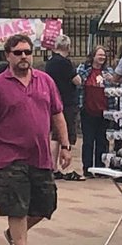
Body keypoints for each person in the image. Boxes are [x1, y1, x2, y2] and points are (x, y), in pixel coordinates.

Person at [0, 33, 71, 245]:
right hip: (10, 156)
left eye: (27, 52)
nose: (23, 57)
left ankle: (14, 235)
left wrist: (66, 146)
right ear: (8, 55)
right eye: (18, 53)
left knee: (45, 205)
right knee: (16, 206)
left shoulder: (45, 81)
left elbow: (57, 114)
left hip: (40, 156)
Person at [42, 34, 80, 180]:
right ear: (68, 47)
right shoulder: (65, 63)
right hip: (66, 102)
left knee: (55, 136)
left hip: (52, 101)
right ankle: (66, 168)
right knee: (66, 135)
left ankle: (53, 167)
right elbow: (77, 80)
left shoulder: (50, 62)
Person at [76, 45, 115, 176]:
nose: (102, 57)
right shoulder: (84, 69)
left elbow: (114, 87)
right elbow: (78, 81)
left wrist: (112, 79)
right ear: (93, 56)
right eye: (99, 55)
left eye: (104, 55)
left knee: (102, 141)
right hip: (88, 110)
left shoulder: (108, 71)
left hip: (104, 111)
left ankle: (100, 167)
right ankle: (87, 168)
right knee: (88, 141)